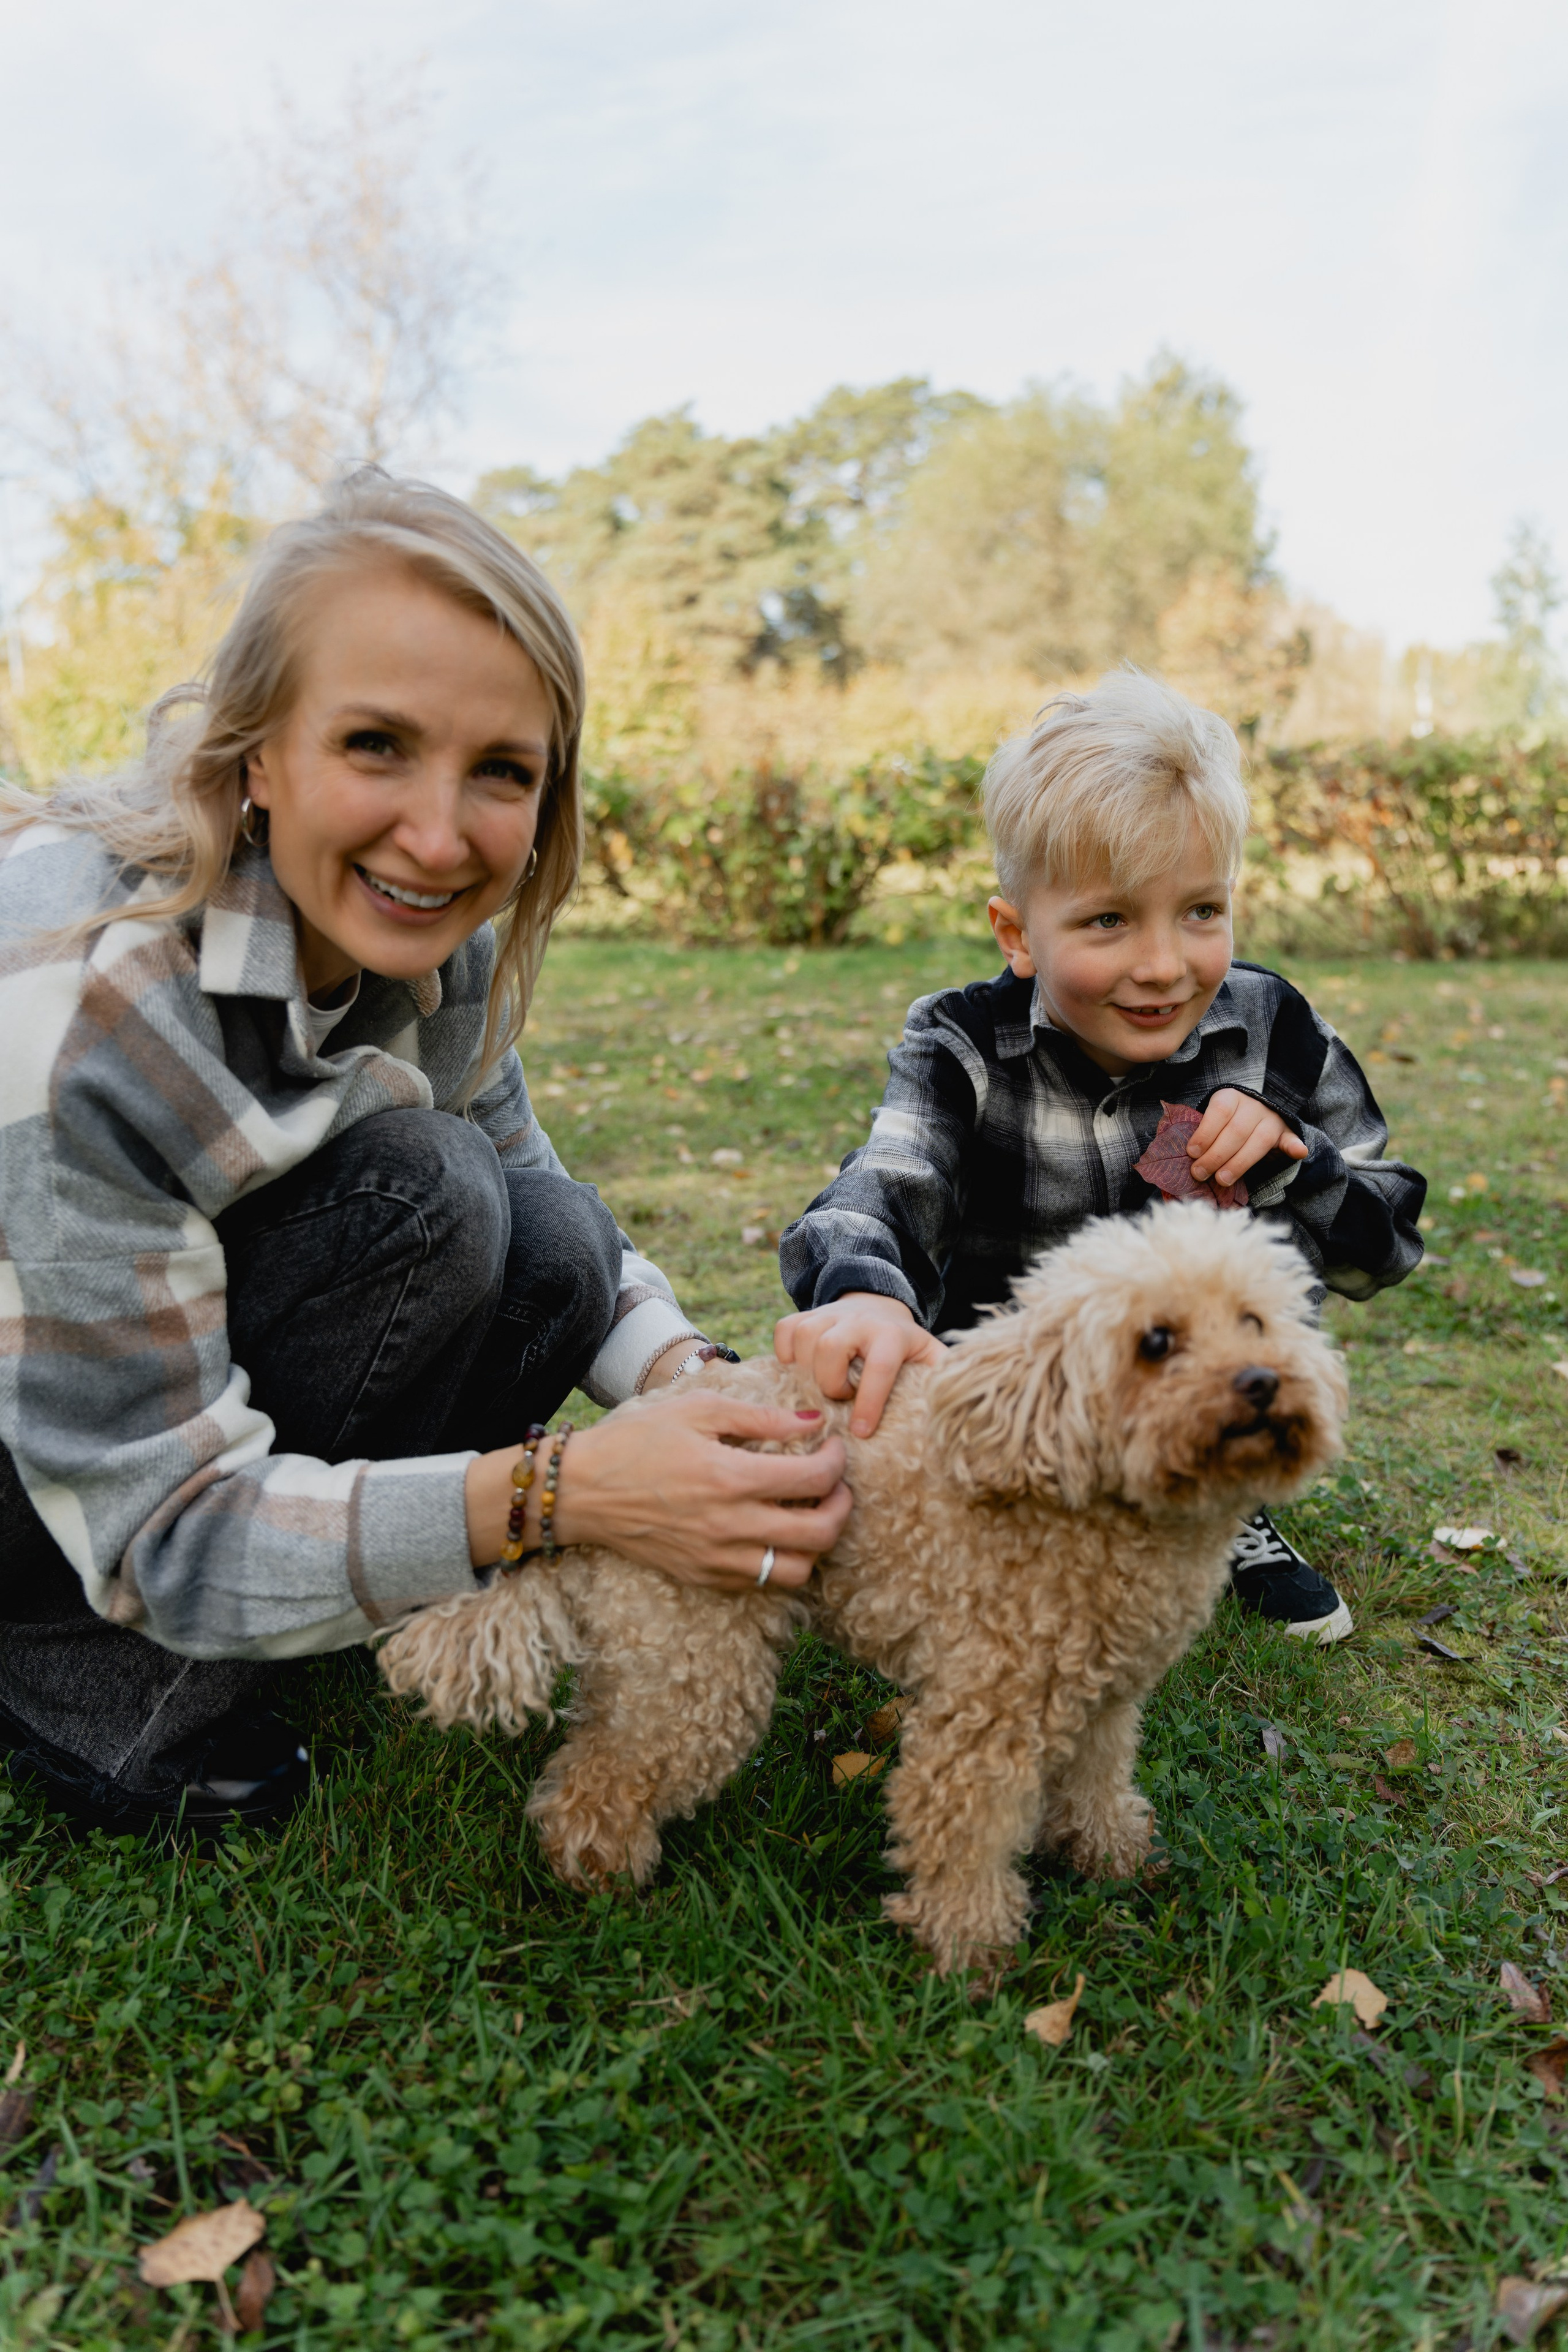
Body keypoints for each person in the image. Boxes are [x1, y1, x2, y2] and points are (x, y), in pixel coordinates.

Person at [0, 467, 851, 1836]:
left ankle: (321, 1585)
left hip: (178, 1353)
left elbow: (534, 1179)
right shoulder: (93, 1015)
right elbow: (150, 1510)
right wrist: (559, 1496)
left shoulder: (440, 949)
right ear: (258, 754)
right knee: (431, 1194)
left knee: (545, 1232)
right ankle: (81, 1679)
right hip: (47, 1436)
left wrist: (700, 1383)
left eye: (499, 772)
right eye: (377, 746)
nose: (440, 837)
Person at [776, 669, 1426, 1643]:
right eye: (1109, 920)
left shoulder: (1274, 1032)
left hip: (1209, 1397)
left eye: (1201, 911)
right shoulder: (963, 1044)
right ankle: (1016, 1505)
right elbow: (885, 1184)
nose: (1164, 965)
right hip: (1020, 1422)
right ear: (1017, 933)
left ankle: (1224, 1504)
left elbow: (1389, 1240)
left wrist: (1300, 1160)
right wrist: (863, 1287)